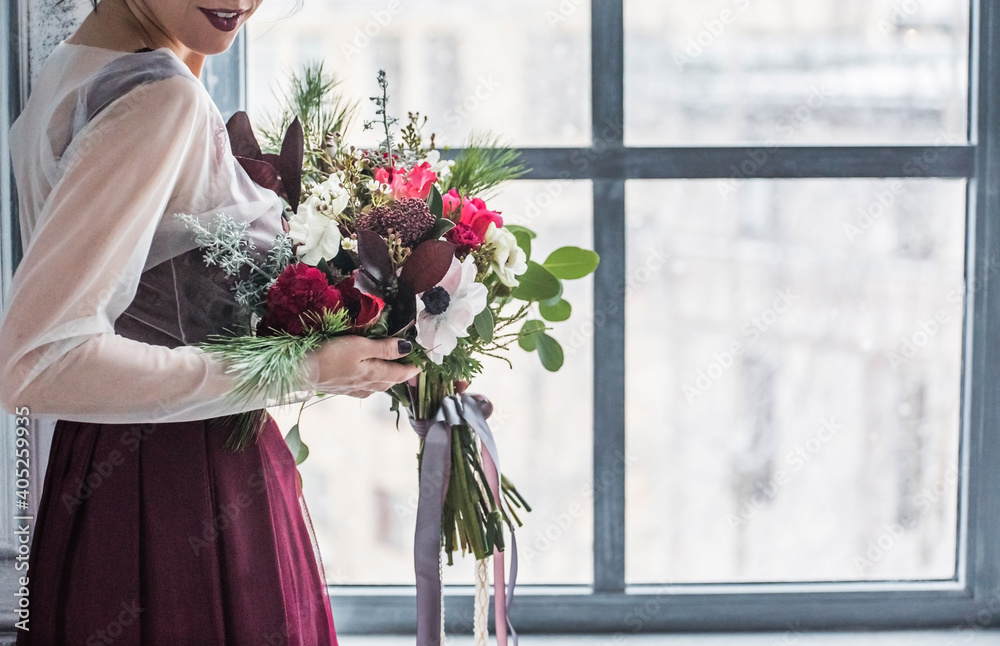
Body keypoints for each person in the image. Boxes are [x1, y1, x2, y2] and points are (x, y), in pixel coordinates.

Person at [0, 0, 420, 643]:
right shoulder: (161, 98)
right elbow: (38, 362)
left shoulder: (72, 70)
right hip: (186, 485)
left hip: (98, 474)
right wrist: (301, 371)